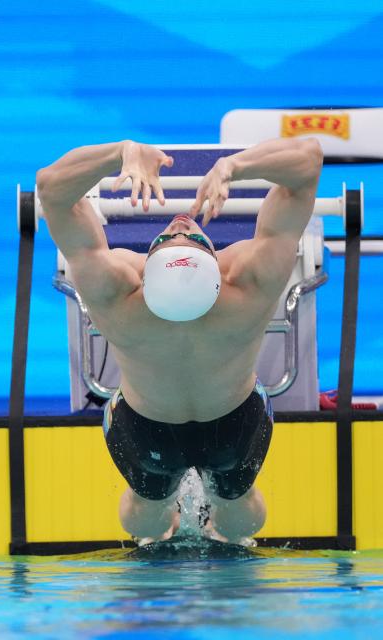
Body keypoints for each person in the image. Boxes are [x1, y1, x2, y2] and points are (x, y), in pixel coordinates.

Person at [36, 137, 323, 545]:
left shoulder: (116, 286)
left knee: (145, 520)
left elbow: (51, 189)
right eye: (181, 236)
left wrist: (121, 154)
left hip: (146, 425)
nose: (180, 224)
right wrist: (233, 166)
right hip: (234, 421)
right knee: (238, 516)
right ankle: (215, 532)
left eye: (174, 236)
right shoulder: (249, 278)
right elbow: (307, 163)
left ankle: (176, 530)